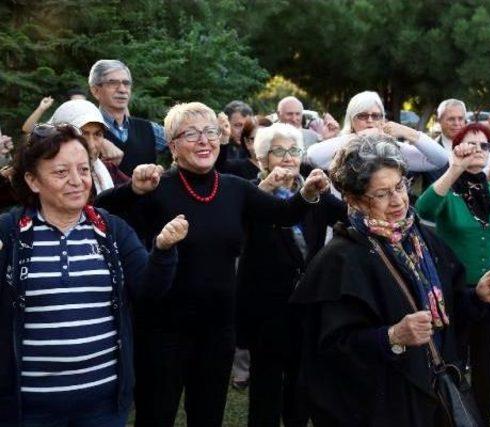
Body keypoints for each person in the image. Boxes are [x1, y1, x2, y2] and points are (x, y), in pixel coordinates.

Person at [94, 102, 330, 427]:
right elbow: (100, 211)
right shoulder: (157, 186)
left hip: (217, 329)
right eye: (191, 133)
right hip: (163, 331)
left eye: (210, 132)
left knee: (207, 417)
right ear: (172, 145)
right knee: (155, 416)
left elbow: (284, 215)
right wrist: (132, 190)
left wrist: (306, 193)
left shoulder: (234, 188)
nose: (204, 140)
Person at [291, 134, 490, 426]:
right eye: (382, 194)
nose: (398, 201)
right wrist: (391, 337)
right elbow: (328, 350)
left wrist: (477, 296)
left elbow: (450, 312)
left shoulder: (422, 239)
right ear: (353, 199)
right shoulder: (339, 261)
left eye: (400, 186)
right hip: (383, 408)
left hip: (434, 397)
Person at [0, 123, 187, 426]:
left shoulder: (110, 229)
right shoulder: (10, 233)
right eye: (61, 173)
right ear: (33, 181)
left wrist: (163, 250)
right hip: (27, 410)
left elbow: (148, 290)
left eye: (84, 170)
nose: (77, 181)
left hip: (103, 407)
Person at [415, 123, 490, 424]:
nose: (478, 151)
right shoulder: (448, 190)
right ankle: (450, 417)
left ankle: (481, 418)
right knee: (451, 361)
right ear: (456, 149)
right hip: (452, 292)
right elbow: (424, 209)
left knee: (488, 365)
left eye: (484, 146)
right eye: (469, 145)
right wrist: (454, 167)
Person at [236, 123, 347, 427]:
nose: (287, 158)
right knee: (266, 388)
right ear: (263, 159)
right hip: (265, 306)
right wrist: (267, 189)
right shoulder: (248, 191)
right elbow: (237, 232)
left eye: (293, 151)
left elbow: (349, 215)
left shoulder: (313, 189)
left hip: (305, 304)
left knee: (301, 386)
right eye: (279, 151)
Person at [305, 91, 448, 173]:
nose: (370, 120)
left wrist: (408, 132)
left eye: (376, 116)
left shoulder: (392, 148)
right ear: (351, 120)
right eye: (362, 116)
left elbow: (440, 160)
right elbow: (313, 156)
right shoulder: (343, 142)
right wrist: (361, 136)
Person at [88, 59, 166, 175]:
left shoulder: (149, 129)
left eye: (126, 83)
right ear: (95, 91)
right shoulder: (84, 131)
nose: (122, 89)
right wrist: (98, 141)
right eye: (113, 83)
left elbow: (183, 139)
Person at [49, 99, 130, 193]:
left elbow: (134, 192)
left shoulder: (108, 169)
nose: (91, 145)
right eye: (82, 134)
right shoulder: (48, 177)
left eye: (97, 134)